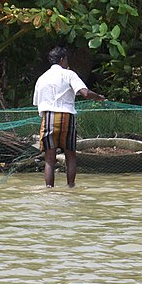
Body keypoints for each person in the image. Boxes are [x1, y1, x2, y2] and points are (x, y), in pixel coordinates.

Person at [33, 47, 106, 188]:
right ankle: (71, 186)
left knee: (49, 159)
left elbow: (37, 102)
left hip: (48, 117)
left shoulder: (42, 78)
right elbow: (84, 93)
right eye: (66, 59)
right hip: (66, 116)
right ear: (62, 60)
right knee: (70, 155)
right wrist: (98, 97)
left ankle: (49, 189)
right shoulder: (68, 74)